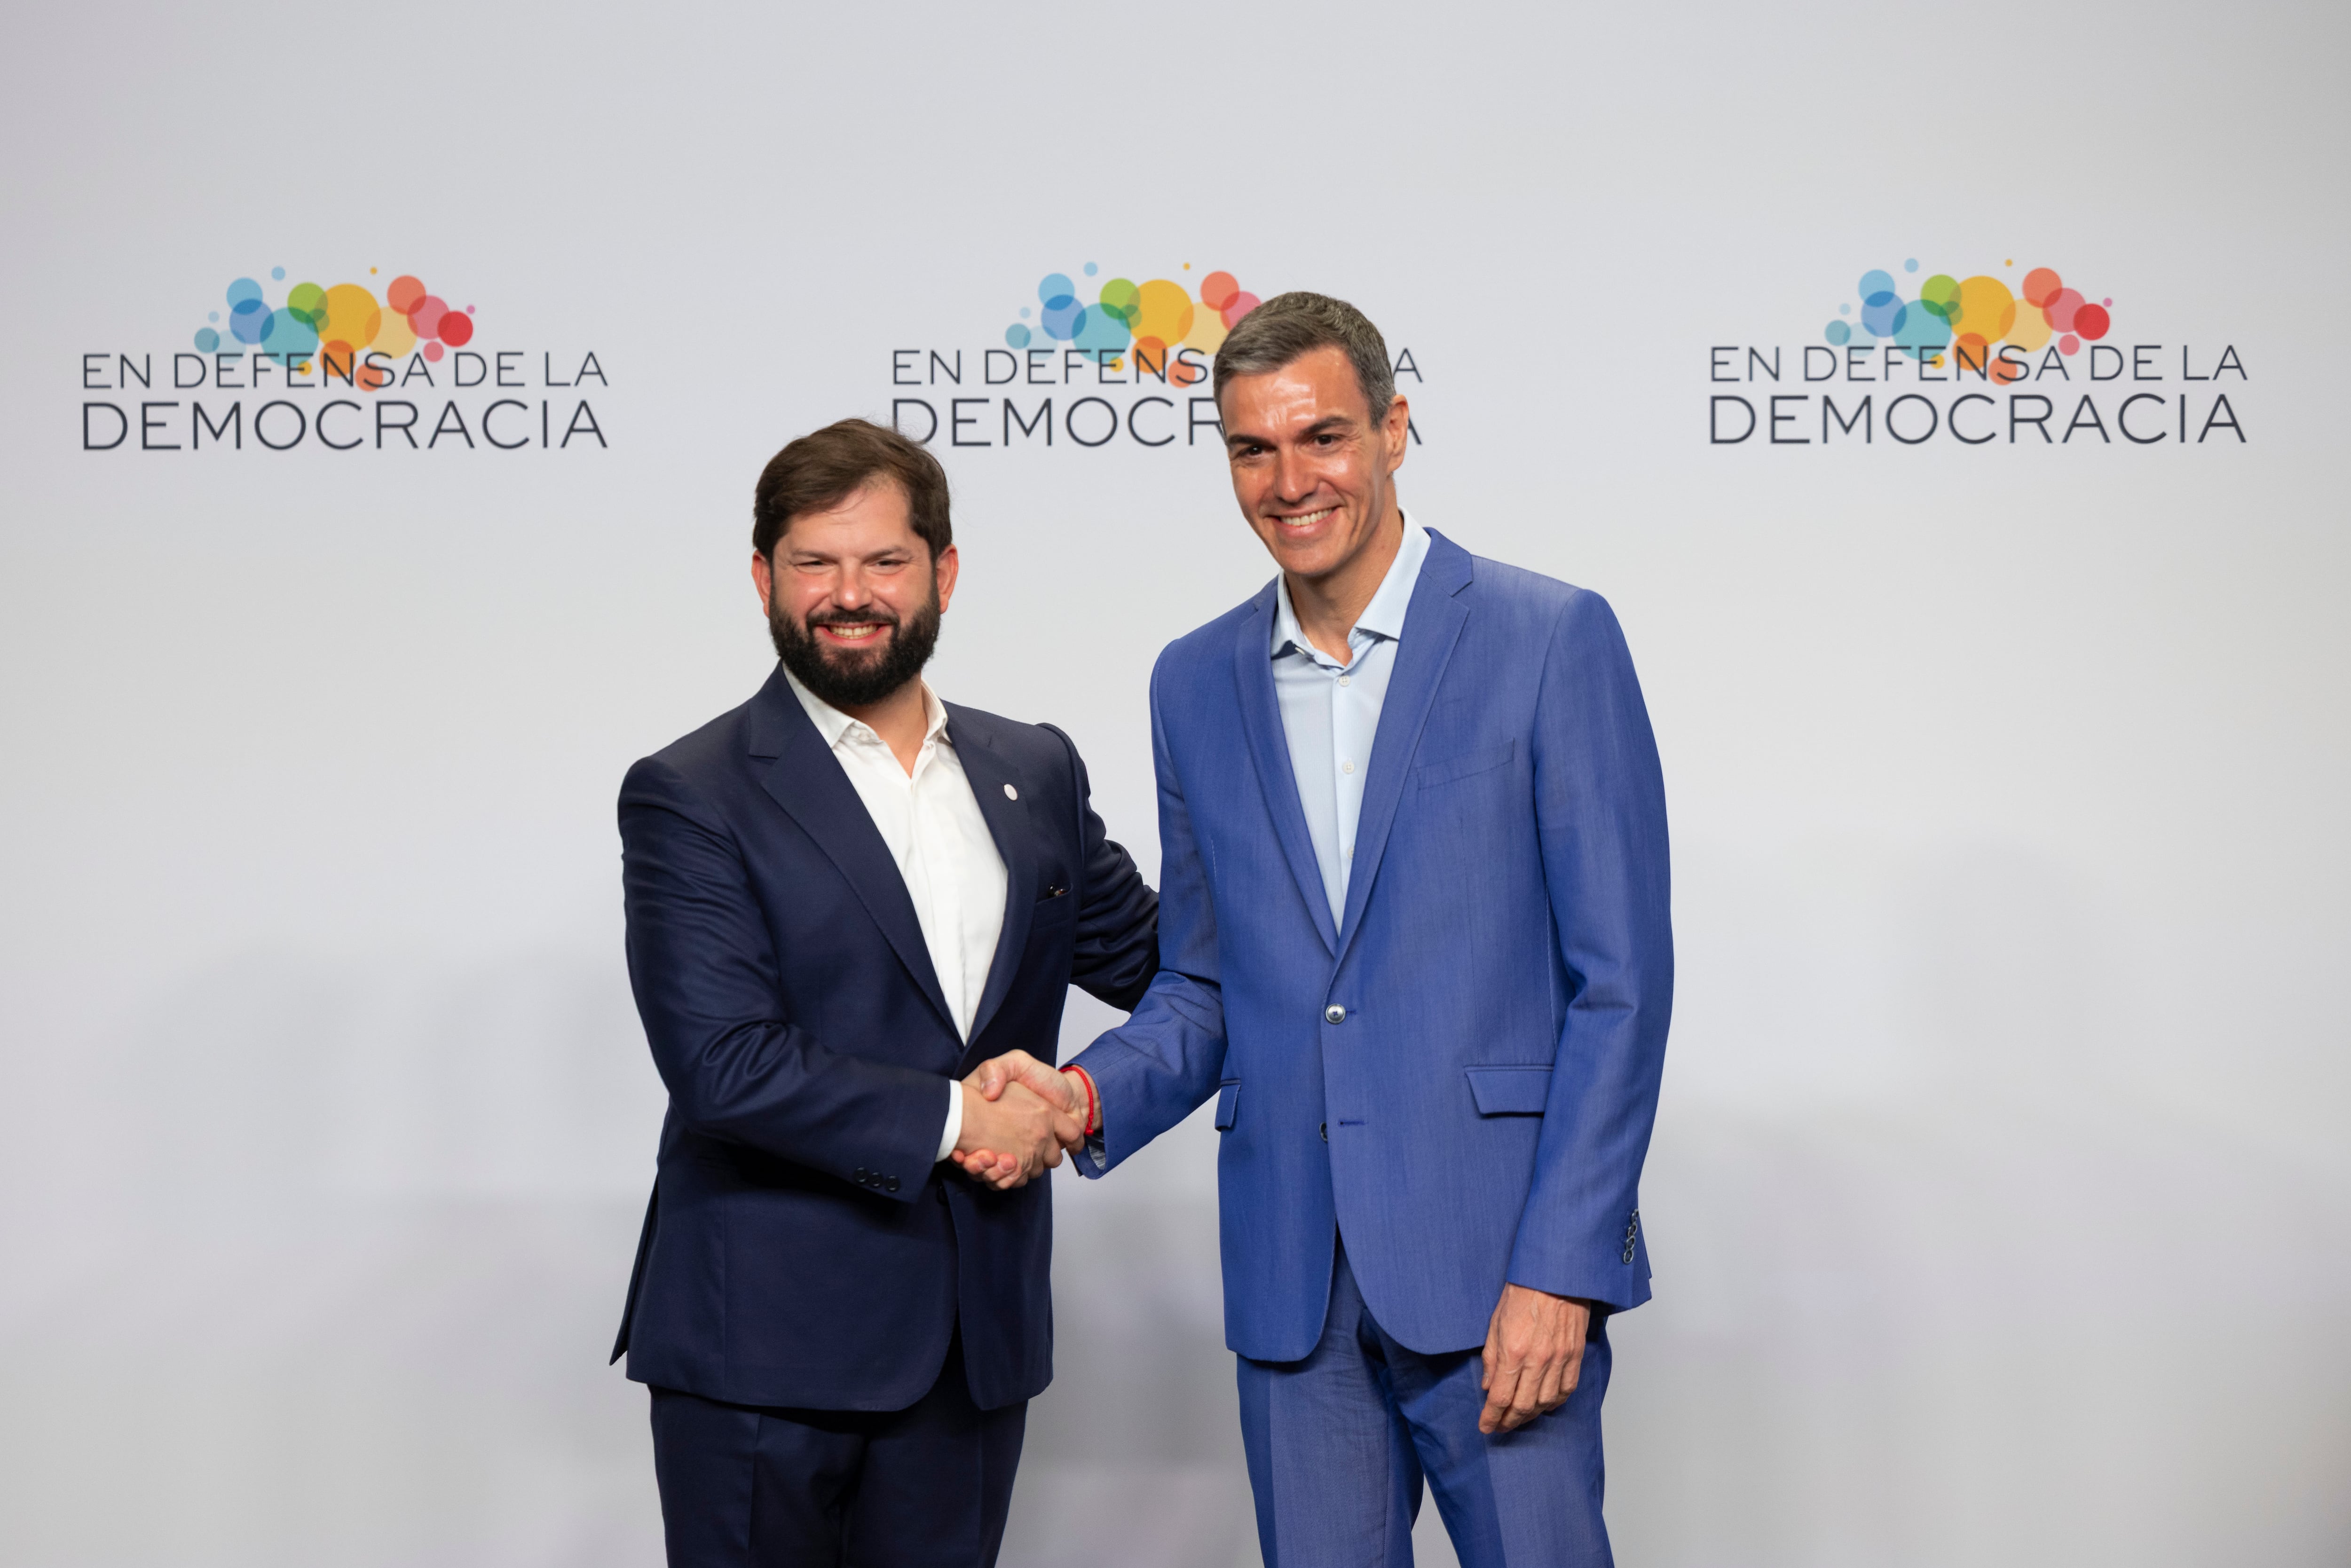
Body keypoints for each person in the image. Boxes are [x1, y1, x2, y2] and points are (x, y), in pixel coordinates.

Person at [975, 292, 1673, 1566]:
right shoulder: (1194, 679)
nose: (1291, 482)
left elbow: (1619, 989)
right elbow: (1202, 985)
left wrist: (1563, 1267)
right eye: (1253, 449)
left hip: (1499, 1277)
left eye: (1324, 438)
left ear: (1397, 429)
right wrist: (1076, 1098)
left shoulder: (1550, 637)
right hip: (1295, 1286)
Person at [608, 418, 1158, 1567]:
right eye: (814, 562)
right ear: (764, 578)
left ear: (943, 573)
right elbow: (724, 1066)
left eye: (883, 562)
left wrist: (1080, 1096)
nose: (847, 594)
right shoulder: (690, 793)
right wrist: (973, 1120)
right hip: (762, 1348)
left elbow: (1166, 966)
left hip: (973, 1345)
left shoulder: (1035, 770)